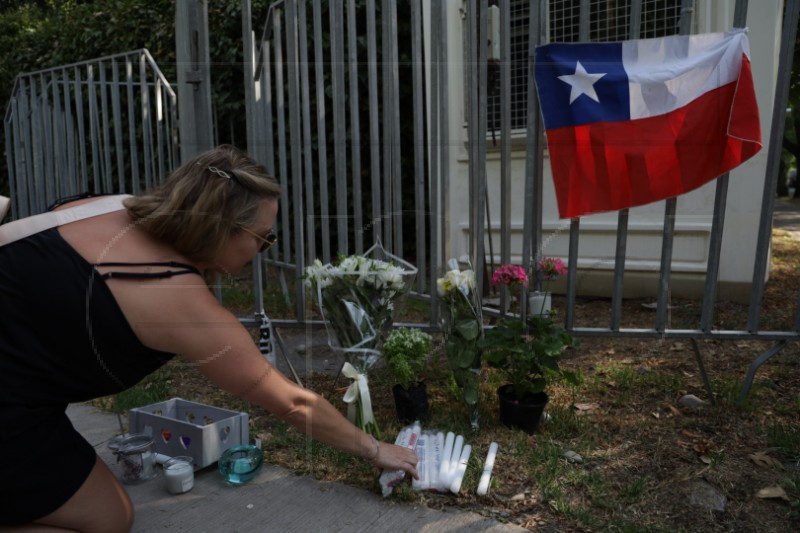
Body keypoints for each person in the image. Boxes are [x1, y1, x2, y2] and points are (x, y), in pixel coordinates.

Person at [0, 144, 419, 532]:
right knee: (109, 519)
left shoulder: (106, 206)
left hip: (27, 391)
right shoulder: (179, 300)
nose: (265, 250)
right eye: (263, 238)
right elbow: (291, 402)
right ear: (222, 229)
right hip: (12, 402)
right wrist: (374, 449)